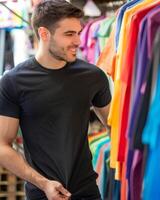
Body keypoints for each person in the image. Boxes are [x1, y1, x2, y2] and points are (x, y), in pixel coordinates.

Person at [0, 0, 111, 200]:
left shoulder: (93, 77)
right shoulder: (13, 82)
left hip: (87, 192)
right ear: (44, 34)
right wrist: (43, 183)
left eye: (79, 32)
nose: (78, 41)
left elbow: (116, 129)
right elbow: (2, 146)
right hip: (41, 193)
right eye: (69, 34)